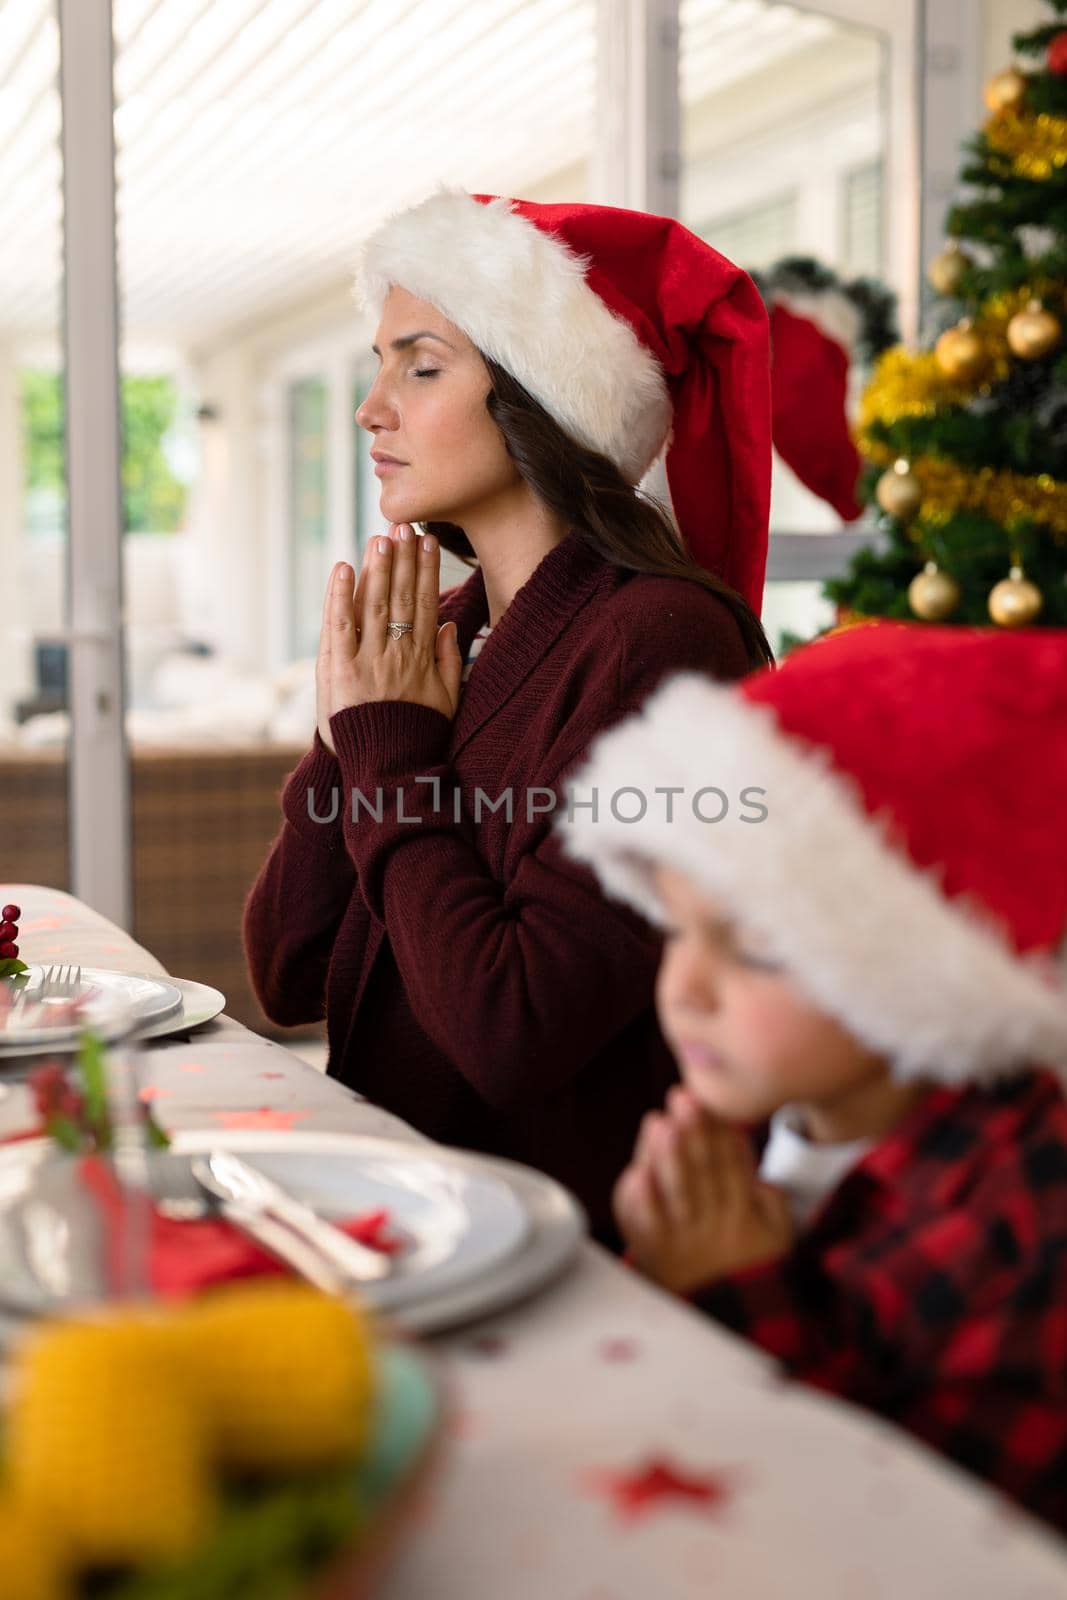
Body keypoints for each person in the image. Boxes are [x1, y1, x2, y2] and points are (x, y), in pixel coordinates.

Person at [243, 189, 774, 1242]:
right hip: (405, 1217)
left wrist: (388, 757)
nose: (370, 407)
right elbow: (286, 966)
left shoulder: (662, 644)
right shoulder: (445, 632)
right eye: (380, 361)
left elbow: (513, 1029)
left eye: (421, 364)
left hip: (564, 1261)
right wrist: (350, 721)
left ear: (541, 398)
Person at [560, 621, 1067, 1531]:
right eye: (675, 929)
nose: (684, 988)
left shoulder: (1022, 1222)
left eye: (753, 947)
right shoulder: (760, 1109)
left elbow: (915, 1538)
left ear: (913, 964)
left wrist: (731, 1292)